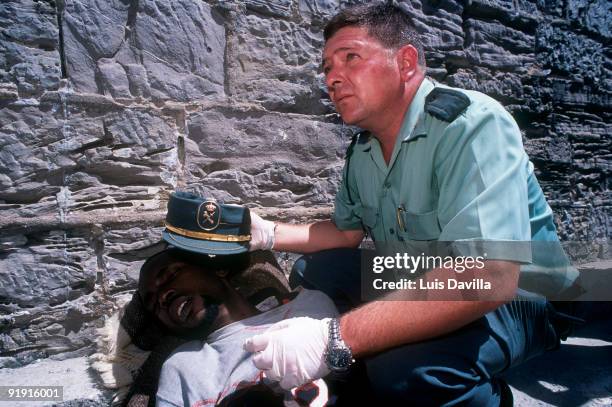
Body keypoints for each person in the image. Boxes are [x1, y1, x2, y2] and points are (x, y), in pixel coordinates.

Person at [244, 2, 580, 406]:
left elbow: (489, 277)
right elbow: (346, 233)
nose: (333, 78)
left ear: (405, 62)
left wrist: (334, 339)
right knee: (315, 268)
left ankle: (488, 399)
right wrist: (266, 233)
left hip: (527, 293)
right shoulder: (363, 150)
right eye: (327, 68)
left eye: (350, 57)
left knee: (404, 373)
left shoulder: (471, 125)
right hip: (426, 272)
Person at [137, 248, 336, 406]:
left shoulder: (307, 306)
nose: (162, 297)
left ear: (217, 268)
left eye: (172, 275)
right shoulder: (181, 366)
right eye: (154, 304)